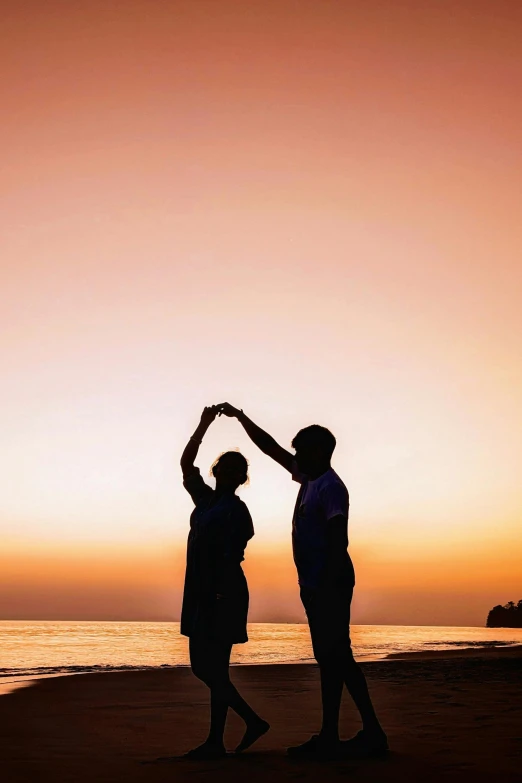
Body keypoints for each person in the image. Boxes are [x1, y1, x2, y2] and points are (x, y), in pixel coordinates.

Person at [217, 403, 387, 759]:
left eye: (300, 451)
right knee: (335, 658)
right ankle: (357, 732)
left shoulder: (330, 487)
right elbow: (270, 448)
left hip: (330, 583)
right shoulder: (309, 479)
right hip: (315, 584)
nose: (294, 456)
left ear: (319, 452)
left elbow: (339, 540)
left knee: (335, 657)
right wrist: (241, 417)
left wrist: (324, 585)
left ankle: (345, 734)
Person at [180, 405, 269, 759]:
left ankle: (241, 726)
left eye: (239, 469)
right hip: (200, 591)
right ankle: (220, 738)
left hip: (222, 592)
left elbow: (231, 555)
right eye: (226, 466)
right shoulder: (204, 501)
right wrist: (202, 424)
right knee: (205, 667)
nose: (231, 472)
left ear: (242, 478)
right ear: (216, 470)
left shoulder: (236, 510)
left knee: (210, 668)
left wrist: (214, 592)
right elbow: (186, 466)